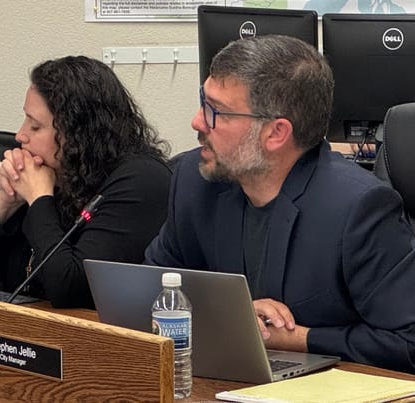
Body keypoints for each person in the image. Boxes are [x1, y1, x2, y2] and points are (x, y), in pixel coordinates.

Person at [144, 35, 415, 373]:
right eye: (203, 101)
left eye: (217, 112)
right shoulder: (193, 181)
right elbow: (150, 291)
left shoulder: (358, 209)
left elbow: (409, 342)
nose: (198, 122)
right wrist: (237, 318)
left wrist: (301, 338)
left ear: (276, 133)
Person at [0, 56, 171, 308]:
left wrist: (39, 199)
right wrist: (4, 205)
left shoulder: (142, 181)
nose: (20, 135)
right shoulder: (53, 172)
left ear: (77, 134)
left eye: (35, 126)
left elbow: (68, 287)